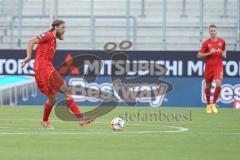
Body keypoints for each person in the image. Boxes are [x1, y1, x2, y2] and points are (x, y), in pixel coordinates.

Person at [21, 19, 95, 129]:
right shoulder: (48, 35)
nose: (64, 30)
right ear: (56, 27)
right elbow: (31, 41)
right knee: (66, 91)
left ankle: (45, 121)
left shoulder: (53, 40)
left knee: (53, 98)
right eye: (63, 27)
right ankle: (81, 119)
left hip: (46, 69)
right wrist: (28, 56)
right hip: (44, 69)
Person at [197, 24, 226, 113]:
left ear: (216, 31)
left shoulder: (222, 41)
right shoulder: (206, 43)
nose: (213, 32)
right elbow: (199, 55)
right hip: (209, 67)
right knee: (208, 85)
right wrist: (209, 53)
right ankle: (208, 105)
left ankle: (214, 104)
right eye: (211, 31)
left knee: (218, 84)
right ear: (209, 32)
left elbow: (224, 49)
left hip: (218, 66)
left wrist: (224, 53)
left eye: (214, 31)